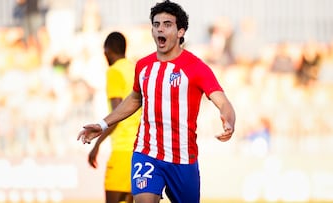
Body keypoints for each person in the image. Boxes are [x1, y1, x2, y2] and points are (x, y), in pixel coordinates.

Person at [77, 1, 236, 203]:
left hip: (183, 159)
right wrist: (102, 124)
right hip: (147, 153)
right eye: (156, 24)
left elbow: (223, 103)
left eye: (167, 24)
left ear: (180, 31)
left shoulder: (196, 68)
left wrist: (229, 121)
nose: (160, 28)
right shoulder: (143, 66)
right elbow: (135, 99)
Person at [88, 32, 140, 203]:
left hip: (122, 150)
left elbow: (117, 116)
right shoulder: (135, 68)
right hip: (139, 151)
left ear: (108, 51)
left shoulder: (114, 71)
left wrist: (97, 144)